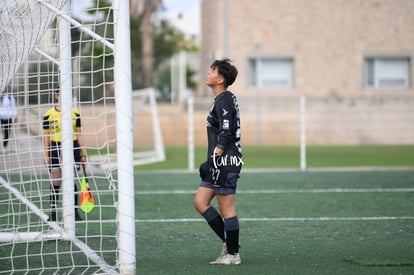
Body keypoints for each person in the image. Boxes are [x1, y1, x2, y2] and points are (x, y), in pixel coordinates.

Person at [194, 58, 243, 265]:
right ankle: (229, 242)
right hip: (217, 162)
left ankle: (233, 255)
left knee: (227, 208)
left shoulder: (224, 99)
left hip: (225, 161)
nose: (208, 73)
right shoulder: (222, 99)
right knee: (200, 202)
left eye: (212, 71)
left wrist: (215, 157)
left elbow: (226, 131)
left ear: (220, 78)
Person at [43, 89, 87, 221]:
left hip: (73, 147)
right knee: (56, 180)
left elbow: (79, 133)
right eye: (60, 94)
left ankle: (74, 212)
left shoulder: (75, 112)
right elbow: (46, 136)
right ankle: (53, 212)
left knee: (72, 178)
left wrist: (83, 153)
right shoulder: (49, 114)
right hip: (55, 147)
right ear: (56, 96)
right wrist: (46, 155)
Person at [0, 87, 17, 152]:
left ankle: (4, 147)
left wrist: (15, 116)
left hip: (8, 117)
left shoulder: (10, 97)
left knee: (7, 133)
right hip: (0, 117)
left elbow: (13, 107)